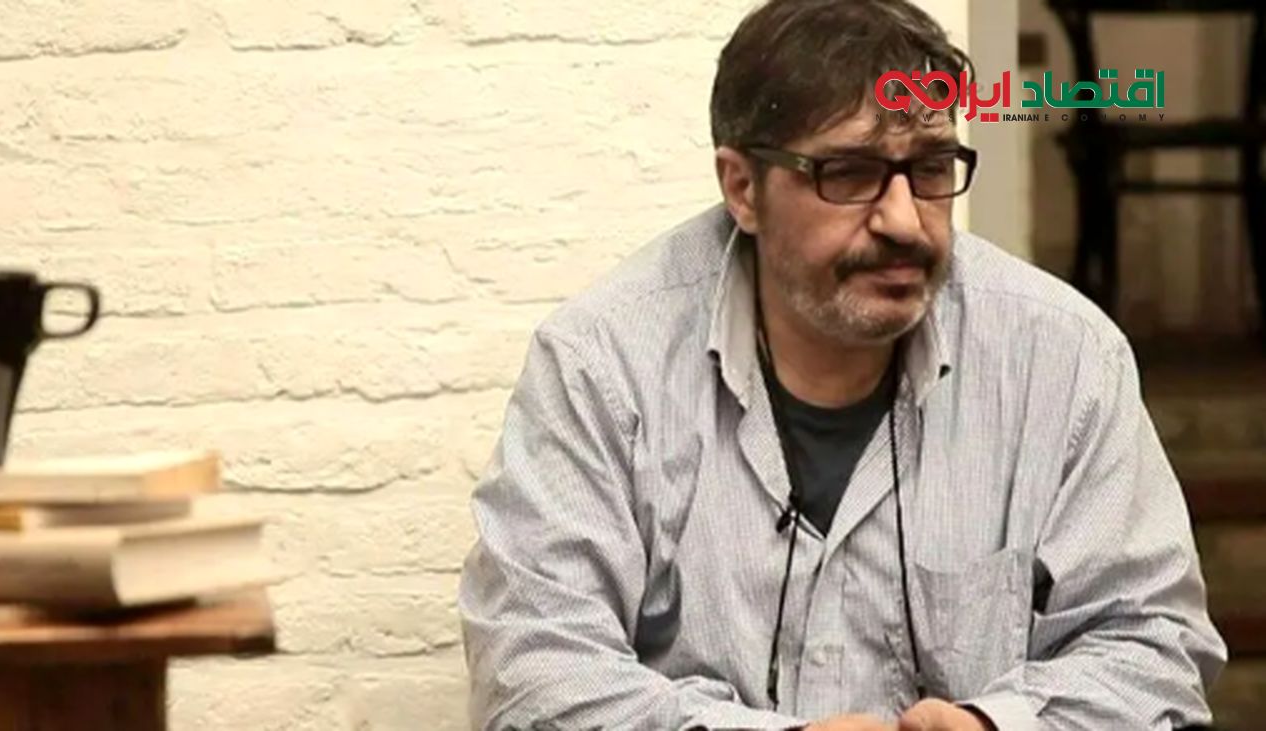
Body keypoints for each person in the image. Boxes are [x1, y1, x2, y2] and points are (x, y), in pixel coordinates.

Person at [457, 0, 1227, 728]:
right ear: (742, 188)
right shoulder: (602, 366)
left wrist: (995, 723)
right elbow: (533, 673)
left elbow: (1155, 648)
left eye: (931, 168)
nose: (903, 220)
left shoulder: (1063, 357)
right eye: (850, 174)